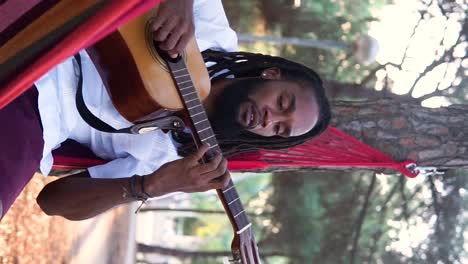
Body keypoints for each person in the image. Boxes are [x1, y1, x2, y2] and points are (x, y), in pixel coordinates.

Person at [0, 0, 331, 221]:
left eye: (279, 129)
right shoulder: (214, 34)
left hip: (36, 114)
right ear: (272, 74)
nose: (270, 118)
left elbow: (53, 201)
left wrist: (147, 186)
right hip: (54, 19)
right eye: (282, 103)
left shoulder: (180, 160)